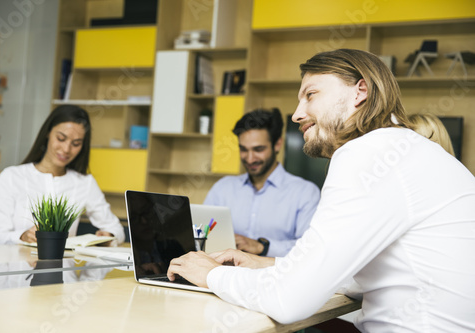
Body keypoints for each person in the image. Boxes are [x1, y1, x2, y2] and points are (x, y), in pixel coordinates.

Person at [167, 49, 475, 332]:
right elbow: (356, 279)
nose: (297, 114)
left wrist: (209, 274)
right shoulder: (408, 150)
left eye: (310, 95)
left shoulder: (367, 153)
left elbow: (288, 301)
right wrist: (265, 264)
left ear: (361, 91)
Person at [0, 105, 125, 245]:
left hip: (63, 266)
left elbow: (117, 230)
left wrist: (108, 236)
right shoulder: (11, 177)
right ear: (48, 133)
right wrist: (23, 236)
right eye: (61, 138)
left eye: (76, 143)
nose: (66, 149)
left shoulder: (84, 183)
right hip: (17, 265)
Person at [203, 108, 320, 257]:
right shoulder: (222, 188)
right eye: (244, 149)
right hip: (224, 276)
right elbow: (202, 233)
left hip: (275, 278)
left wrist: (261, 246)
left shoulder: (305, 193)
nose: (250, 158)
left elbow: (310, 249)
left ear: (277, 144)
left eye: (258, 149)